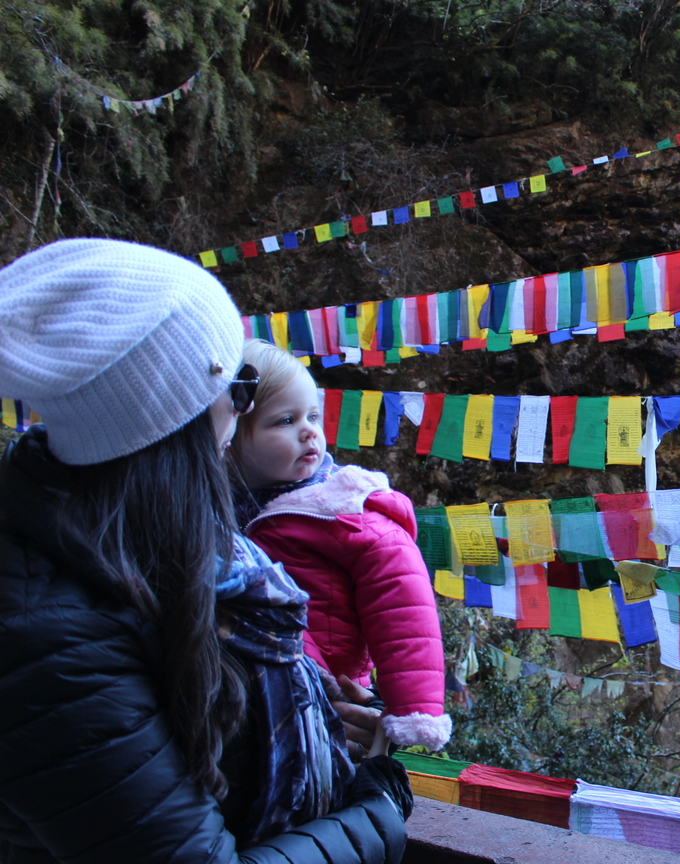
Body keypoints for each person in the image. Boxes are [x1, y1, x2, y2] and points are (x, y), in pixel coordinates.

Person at [0, 239, 412, 862]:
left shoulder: (141, 548)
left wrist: (300, 697)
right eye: (241, 387)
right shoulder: (49, 639)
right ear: (182, 417)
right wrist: (374, 814)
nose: (244, 406)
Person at [230, 339, 451, 752]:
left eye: (313, 415)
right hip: (270, 692)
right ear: (231, 436)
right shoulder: (228, 513)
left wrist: (414, 708)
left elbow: (402, 601)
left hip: (338, 690)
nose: (310, 431)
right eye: (285, 421)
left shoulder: (341, 508)